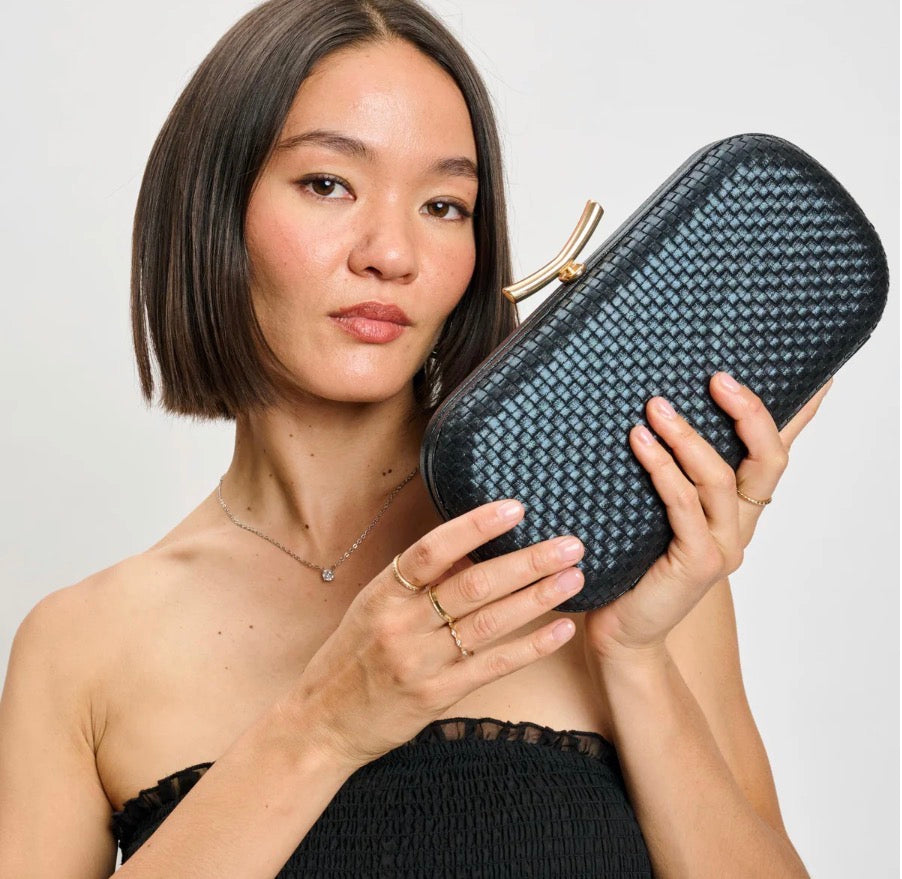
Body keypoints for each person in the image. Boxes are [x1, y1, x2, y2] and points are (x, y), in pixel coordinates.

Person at [0, 0, 833, 876]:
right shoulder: (79, 651)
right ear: (211, 206)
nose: (392, 253)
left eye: (443, 204)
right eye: (328, 184)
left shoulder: (608, 553)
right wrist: (322, 726)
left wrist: (634, 657)